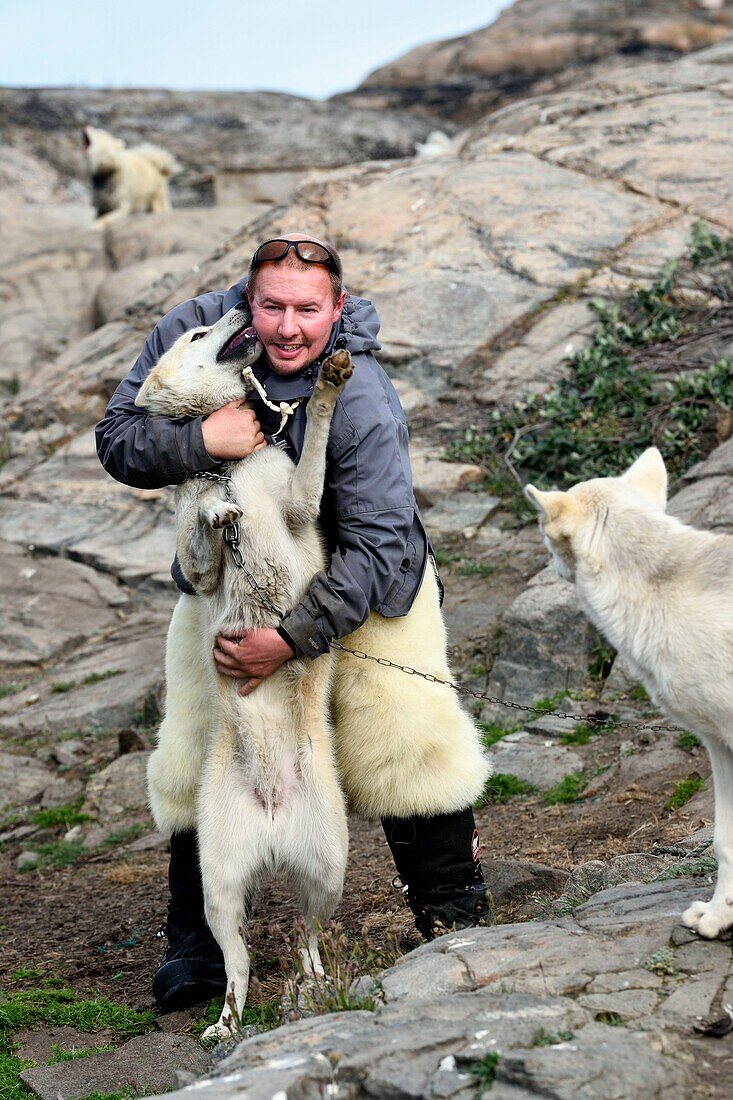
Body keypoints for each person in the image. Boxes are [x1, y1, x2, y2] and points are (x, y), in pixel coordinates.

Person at [96, 233, 493, 1011]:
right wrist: (195, 441)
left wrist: (290, 640)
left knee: (407, 734)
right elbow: (116, 439)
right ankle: (200, 944)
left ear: (336, 307)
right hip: (227, 580)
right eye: (271, 306)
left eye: (307, 310)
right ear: (247, 299)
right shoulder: (193, 336)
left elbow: (379, 542)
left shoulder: (364, 395)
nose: (286, 327)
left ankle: (452, 912)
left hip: (359, 576)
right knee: (196, 740)